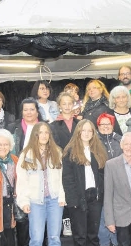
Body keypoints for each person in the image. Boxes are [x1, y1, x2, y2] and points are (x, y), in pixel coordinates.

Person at [16, 122, 66, 246]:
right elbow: (21, 181)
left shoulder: (57, 152)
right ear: (34, 135)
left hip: (54, 200)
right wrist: (23, 201)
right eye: (40, 133)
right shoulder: (26, 155)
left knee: (54, 238)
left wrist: (62, 197)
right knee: (36, 238)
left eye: (46, 132)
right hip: (36, 201)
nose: (44, 135)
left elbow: (63, 178)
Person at [62, 119, 108, 246]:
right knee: (80, 235)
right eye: (84, 130)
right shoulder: (70, 152)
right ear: (78, 132)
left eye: (90, 130)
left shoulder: (99, 150)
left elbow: (103, 174)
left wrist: (101, 193)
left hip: (94, 197)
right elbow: (67, 179)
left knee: (93, 234)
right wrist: (73, 200)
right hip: (78, 198)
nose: (87, 133)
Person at [7, 98, 43, 246]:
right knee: (22, 214)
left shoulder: (45, 128)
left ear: (37, 111)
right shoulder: (12, 128)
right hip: (20, 174)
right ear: (21, 112)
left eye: (32, 109)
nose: (29, 112)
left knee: (41, 214)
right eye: (25, 110)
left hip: (42, 176)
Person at [50, 92, 80, 237]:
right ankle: (66, 221)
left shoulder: (80, 123)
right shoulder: (53, 125)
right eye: (64, 104)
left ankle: (77, 222)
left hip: (79, 163)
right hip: (62, 164)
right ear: (59, 106)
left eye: (70, 103)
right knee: (64, 191)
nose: (67, 106)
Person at [96, 113, 121, 246]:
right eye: (102, 124)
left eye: (108, 124)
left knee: (117, 212)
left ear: (113, 125)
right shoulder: (94, 141)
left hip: (118, 181)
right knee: (103, 213)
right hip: (101, 181)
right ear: (98, 126)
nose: (105, 127)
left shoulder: (120, 140)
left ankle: (117, 242)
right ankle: (104, 243)